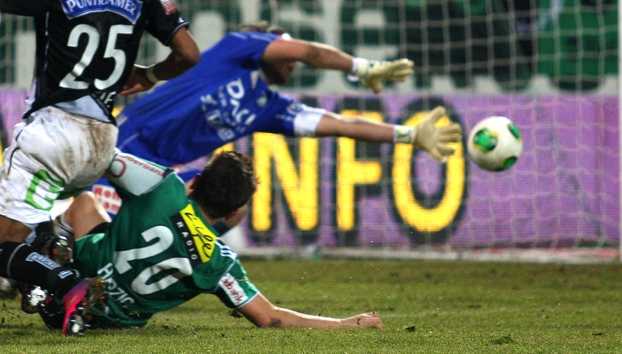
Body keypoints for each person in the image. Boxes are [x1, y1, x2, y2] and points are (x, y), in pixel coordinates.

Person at [0, 0, 200, 334]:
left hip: (52, 132)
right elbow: (188, 53)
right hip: (101, 143)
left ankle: (67, 281)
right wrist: (148, 75)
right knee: (26, 235)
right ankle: (53, 280)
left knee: (1, 241)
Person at [99, 21, 461, 216]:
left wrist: (408, 135)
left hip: (163, 173)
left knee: (233, 206)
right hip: (127, 146)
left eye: (292, 55)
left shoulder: (271, 107)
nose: (293, 61)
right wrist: (363, 68)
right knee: (86, 228)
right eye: (284, 51)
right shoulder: (236, 50)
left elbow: (342, 125)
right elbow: (309, 51)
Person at [29, 150, 383, 332]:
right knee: (94, 210)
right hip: (113, 322)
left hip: (86, 272)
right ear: (233, 214)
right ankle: (65, 290)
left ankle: (45, 270)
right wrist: (345, 324)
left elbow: (107, 156)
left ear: (196, 182)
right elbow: (270, 318)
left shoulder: (163, 187)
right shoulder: (219, 261)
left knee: (86, 202)